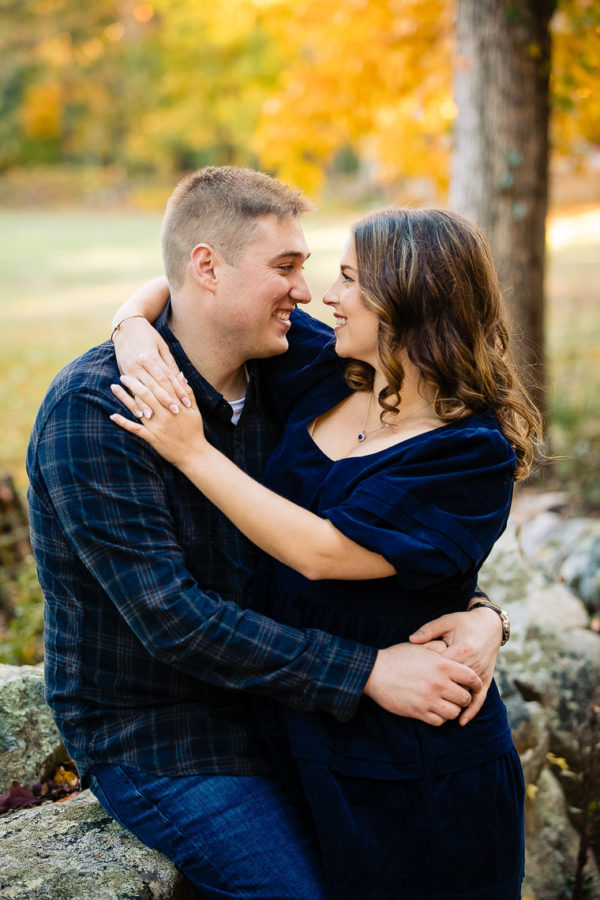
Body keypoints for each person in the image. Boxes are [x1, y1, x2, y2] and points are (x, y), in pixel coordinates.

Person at [27, 167, 504, 900]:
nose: (309, 293)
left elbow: (404, 512)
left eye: (314, 270)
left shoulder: (295, 371)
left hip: (288, 709)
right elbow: (173, 620)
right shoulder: (101, 411)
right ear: (208, 268)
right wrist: (369, 672)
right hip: (166, 731)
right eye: (287, 268)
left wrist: (486, 617)